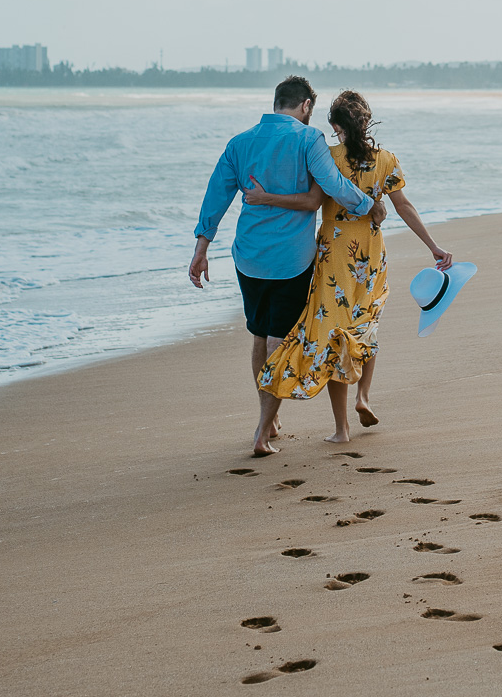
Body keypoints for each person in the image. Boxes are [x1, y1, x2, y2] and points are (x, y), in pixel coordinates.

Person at [189, 75, 381, 456]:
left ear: (277, 101)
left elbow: (216, 197)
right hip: (291, 260)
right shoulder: (308, 139)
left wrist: (201, 247)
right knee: (280, 335)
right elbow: (332, 184)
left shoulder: (240, 142)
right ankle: (262, 430)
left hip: (248, 257)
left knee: (260, 334)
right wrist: (367, 205)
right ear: (306, 106)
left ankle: (271, 419)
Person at [246, 90, 452, 443]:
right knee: (365, 327)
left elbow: (311, 201)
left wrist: (265, 199)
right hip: (370, 257)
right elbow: (404, 207)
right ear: (366, 122)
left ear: (335, 125)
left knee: (335, 335)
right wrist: (433, 246)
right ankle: (364, 396)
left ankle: (341, 430)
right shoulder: (386, 159)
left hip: (334, 257)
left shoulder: (327, 158)